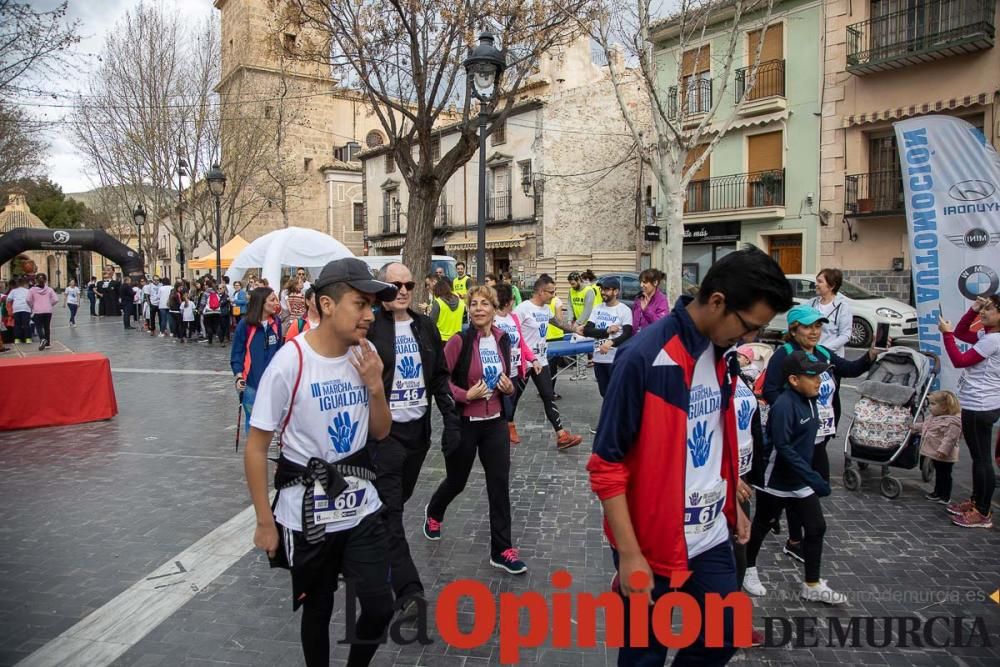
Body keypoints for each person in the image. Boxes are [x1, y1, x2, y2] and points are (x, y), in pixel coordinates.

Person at [588, 247, 794, 666]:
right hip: (650, 542)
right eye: (748, 326)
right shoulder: (642, 357)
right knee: (645, 654)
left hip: (711, 534)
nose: (749, 338)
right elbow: (606, 465)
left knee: (723, 635)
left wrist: (731, 497)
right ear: (717, 302)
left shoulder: (722, 354)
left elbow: (714, 434)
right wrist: (629, 555)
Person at [244, 258, 397, 667]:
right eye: (360, 304)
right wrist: (264, 521)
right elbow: (256, 447)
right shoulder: (290, 362)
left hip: (361, 506)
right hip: (308, 514)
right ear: (327, 305)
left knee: (381, 606)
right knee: (318, 609)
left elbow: (380, 432)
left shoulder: (365, 356)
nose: (369, 315)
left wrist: (376, 387)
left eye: (371, 306)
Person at [368, 262, 461, 619]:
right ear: (381, 290)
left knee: (396, 503)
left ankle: (368, 550)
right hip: (384, 435)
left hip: (417, 434)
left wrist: (450, 420)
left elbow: (438, 377)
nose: (403, 291)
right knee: (391, 510)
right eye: (395, 286)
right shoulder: (371, 329)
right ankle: (407, 589)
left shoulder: (426, 326)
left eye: (408, 284)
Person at [423, 285, 526, 574]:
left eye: (485, 304)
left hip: (494, 424)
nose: (478, 308)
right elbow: (439, 379)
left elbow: (512, 379)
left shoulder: (503, 340)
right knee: (457, 481)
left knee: (499, 485)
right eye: (474, 304)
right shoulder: (459, 341)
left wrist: (508, 388)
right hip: (464, 424)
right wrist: (464, 396)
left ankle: (502, 549)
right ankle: (434, 511)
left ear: (495, 310)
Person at [761, 304, 874, 561]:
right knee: (797, 488)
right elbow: (770, 390)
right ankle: (793, 538)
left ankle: (791, 528)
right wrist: (796, 411)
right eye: (809, 326)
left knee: (813, 485)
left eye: (818, 326)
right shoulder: (785, 355)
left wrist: (871, 355)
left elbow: (850, 369)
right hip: (797, 436)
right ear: (793, 329)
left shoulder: (823, 351)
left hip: (820, 435)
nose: (815, 332)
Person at [744, 350, 845, 606]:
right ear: (793, 380)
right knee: (762, 525)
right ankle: (748, 568)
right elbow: (784, 448)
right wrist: (813, 477)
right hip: (775, 480)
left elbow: (809, 443)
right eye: (812, 377)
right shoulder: (784, 406)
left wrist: (812, 475)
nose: (819, 381)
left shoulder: (810, 399)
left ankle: (811, 584)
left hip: (800, 480)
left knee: (816, 527)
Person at [939, 294, 1000, 529]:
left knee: (982, 459)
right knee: (978, 458)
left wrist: (945, 334)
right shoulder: (988, 335)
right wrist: (972, 310)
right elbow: (963, 333)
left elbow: (959, 360)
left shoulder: (993, 341)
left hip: (981, 405)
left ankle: (983, 512)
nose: (984, 313)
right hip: (978, 402)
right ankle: (976, 501)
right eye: (983, 308)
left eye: (989, 309)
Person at [512, 275, 584, 450]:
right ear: (540, 291)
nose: (553, 295)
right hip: (525, 362)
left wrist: (577, 329)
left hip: (541, 361)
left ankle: (561, 435)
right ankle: (507, 426)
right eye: (551, 292)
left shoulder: (546, 309)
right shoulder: (523, 309)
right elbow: (512, 332)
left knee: (548, 395)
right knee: (514, 397)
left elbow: (559, 324)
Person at [231, 286, 284, 432]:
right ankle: (254, 453)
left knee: (271, 422)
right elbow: (237, 352)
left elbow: (279, 351)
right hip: (250, 383)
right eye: (272, 300)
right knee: (253, 422)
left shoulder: (276, 323)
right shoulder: (245, 325)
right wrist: (238, 376)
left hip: (271, 383)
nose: (276, 303)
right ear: (261, 302)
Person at [493, 284, 540, 445]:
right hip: (499, 373)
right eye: (512, 298)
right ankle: (500, 437)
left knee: (511, 406)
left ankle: (504, 431)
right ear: (508, 301)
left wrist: (532, 359)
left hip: (514, 370)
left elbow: (522, 343)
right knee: (504, 407)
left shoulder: (513, 318)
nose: (514, 301)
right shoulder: (492, 319)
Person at [582, 277, 633, 419]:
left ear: (616, 291)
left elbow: (628, 334)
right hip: (599, 359)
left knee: (616, 393)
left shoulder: (624, 310)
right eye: (601, 289)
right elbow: (587, 330)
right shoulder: (597, 309)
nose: (602, 292)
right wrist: (607, 331)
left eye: (606, 289)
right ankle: (612, 422)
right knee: (604, 393)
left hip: (616, 359)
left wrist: (612, 342)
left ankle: (614, 422)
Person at [913, 390, 962, 505]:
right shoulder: (934, 417)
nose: (930, 407)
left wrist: (943, 450)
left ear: (944, 407)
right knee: (939, 473)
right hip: (935, 452)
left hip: (944, 454)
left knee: (945, 474)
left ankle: (945, 496)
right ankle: (937, 492)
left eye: (933, 404)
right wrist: (914, 427)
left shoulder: (952, 422)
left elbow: (950, 439)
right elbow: (926, 426)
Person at [808, 268, 853, 357]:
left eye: (820, 281)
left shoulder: (842, 307)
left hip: (831, 357)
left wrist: (823, 349)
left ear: (831, 286)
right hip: (811, 356)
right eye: (816, 281)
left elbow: (845, 335)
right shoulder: (811, 303)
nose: (816, 284)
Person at [631, 268, 669, 334]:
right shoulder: (639, 297)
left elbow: (661, 324)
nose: (641, 285)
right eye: (641, 282)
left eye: (644, 282)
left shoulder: (662, 300)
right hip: (636, 339)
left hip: (650, 340)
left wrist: (646, 310)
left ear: (655, 283)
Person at [29, 274, 58, 350]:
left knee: (38, 326)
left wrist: (32, 305)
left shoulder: (32, 290)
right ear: (46, 281)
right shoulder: (49, 289)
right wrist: (50, 304)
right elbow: (56, 300)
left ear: (36, 280)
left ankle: (42, 339)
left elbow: (28, 300)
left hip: (37, 311)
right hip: (48, 311)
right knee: (47, 327)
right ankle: (48, 343)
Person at [430, 278, 465, 342]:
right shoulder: (461, 302)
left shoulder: (438, 302)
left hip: (441, 338)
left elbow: (431, 322)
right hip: (458, 338)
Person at [199, 280, 224, 344]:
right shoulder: (216, 292)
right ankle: (221, 341)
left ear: (207, 285)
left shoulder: (206, 293)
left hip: (208, 312)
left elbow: (203, 303)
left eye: (205, 285)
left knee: (208, 326)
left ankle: (210, 341)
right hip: (217, 312)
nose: (204, 286)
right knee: (217, 326)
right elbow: (220, 302)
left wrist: (200, 310)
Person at [8, 277, 31, 344]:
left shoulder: (13, 291)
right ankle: (28, 339)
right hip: (26, 308)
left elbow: (8, 299)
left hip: (16, 308)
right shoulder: (27, 291)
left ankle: (17, 339)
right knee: (26, 324)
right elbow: (30, 299)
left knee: (17, 324)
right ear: (24, 283)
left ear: (18, 283)